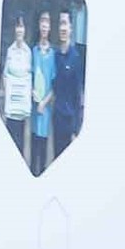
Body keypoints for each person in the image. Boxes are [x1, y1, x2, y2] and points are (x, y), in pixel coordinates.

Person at [52, 11, 86, 154]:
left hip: (70, 121)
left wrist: (76, 130)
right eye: (61, 24)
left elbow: (78, 95)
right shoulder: (55, 56)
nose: (63, 28)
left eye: (65, 23)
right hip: (57, 119)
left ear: (71, 28)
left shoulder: (76, 58)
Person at [29, 10, 56, 171]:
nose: (44, 25)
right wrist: (32, 92)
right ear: (39, 25)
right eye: (42, 22)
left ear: (50, 27)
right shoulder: (34, 51)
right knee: (33, 158)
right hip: (34, 111)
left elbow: (54, 85)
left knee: (43, 158)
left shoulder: (53, 54)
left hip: (45, 111)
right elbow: (30, 76)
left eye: (47, 22)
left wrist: (44, 103)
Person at [0, 17, 32, 150]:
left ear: (25, 30)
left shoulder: (28, 52)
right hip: (11, 106)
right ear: (15, 29)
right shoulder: (10, 50)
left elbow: (29, 76)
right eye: (17, 26)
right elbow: (5, 75)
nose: (19, 30)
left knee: (20, 144)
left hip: (21, 108)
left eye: (22, 27)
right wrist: (8, 93)